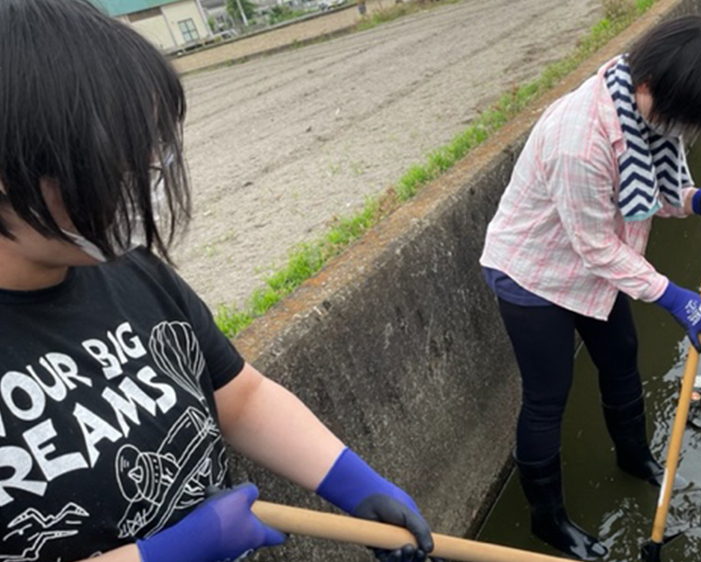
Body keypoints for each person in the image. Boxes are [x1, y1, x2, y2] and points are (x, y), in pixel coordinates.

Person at [0, 2, 440, 561]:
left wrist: (355, 484)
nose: (144, 182)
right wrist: (168, 553)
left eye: (152, 153)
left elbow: (241, 397)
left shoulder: (132, 274)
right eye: (112, 159)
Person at [479, 16, 701, 560]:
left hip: (593, 265)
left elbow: (657, 188)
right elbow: (598, 248)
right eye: (682, 119)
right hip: (533, 273)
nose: (680, 132)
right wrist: (674, 296)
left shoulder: (644, 109)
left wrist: (697, 200)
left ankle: (635, 458)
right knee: (547, 397)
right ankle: (548, 519)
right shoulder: (580, 141)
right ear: (652, 85)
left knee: (622, 356)